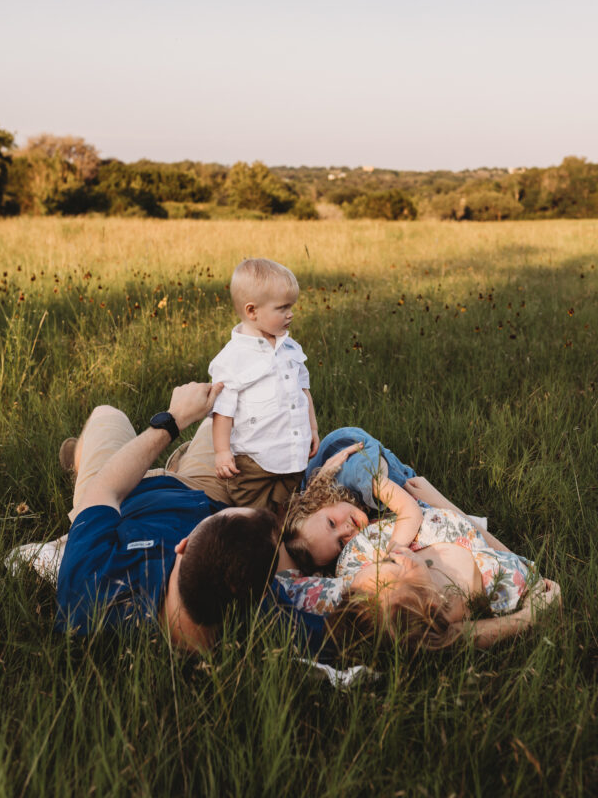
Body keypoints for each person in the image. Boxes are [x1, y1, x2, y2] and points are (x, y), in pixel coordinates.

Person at [55, 381, 280, 652]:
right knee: (229, 412)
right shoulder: (259, 617)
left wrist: (174, 420)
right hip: (202, 490)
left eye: (220, 515)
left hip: (127, 495)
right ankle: (182, 461)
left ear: (182, 546)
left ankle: (80, 458)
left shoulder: (91, 590)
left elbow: (105, 489)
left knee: (107, 415)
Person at [276, 494, 561, 651]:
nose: (395, 555)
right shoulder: (444, 616)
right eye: (394, 565)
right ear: (432, 605)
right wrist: (529, 615)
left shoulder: (347, 592)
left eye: (380, 565)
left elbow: (286, 584)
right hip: (487, 560)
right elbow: (462, 636)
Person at [282, 428, 504, 570]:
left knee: (454, 526)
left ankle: (510, 558)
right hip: (359, 497)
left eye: (332, 523)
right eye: (341, 544)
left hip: (403, 484)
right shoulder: (320, 513)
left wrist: (393, 551)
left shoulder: (358, 475)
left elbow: (410, 511)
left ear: (319, 502)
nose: (346, 530)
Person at [206, 258, 319, 511]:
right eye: (282, 308)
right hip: (253, 462)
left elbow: (303, 392)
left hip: (292, 453)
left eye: (292, 307)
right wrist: (222, 451)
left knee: (288, 505)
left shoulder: (291, 348)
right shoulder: (232, 358)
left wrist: (312, 429)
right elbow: (223, 411)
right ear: (252, 311)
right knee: (254, 512)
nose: (290, 314)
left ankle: (283, 523)